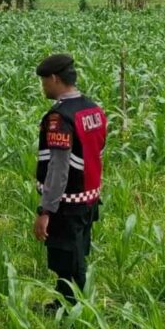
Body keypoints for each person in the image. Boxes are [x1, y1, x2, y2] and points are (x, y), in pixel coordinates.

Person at [32, 53, 107, 309]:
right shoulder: (92, 109)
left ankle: (76, 315)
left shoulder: (59, 118)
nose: (43, 87)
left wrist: (45, 209)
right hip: (89, 197)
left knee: (70, 260)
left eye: (44, 82)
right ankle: (62, 304)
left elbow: (58, 169)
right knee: (76, 253)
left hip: (67, 202)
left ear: (54, 79)